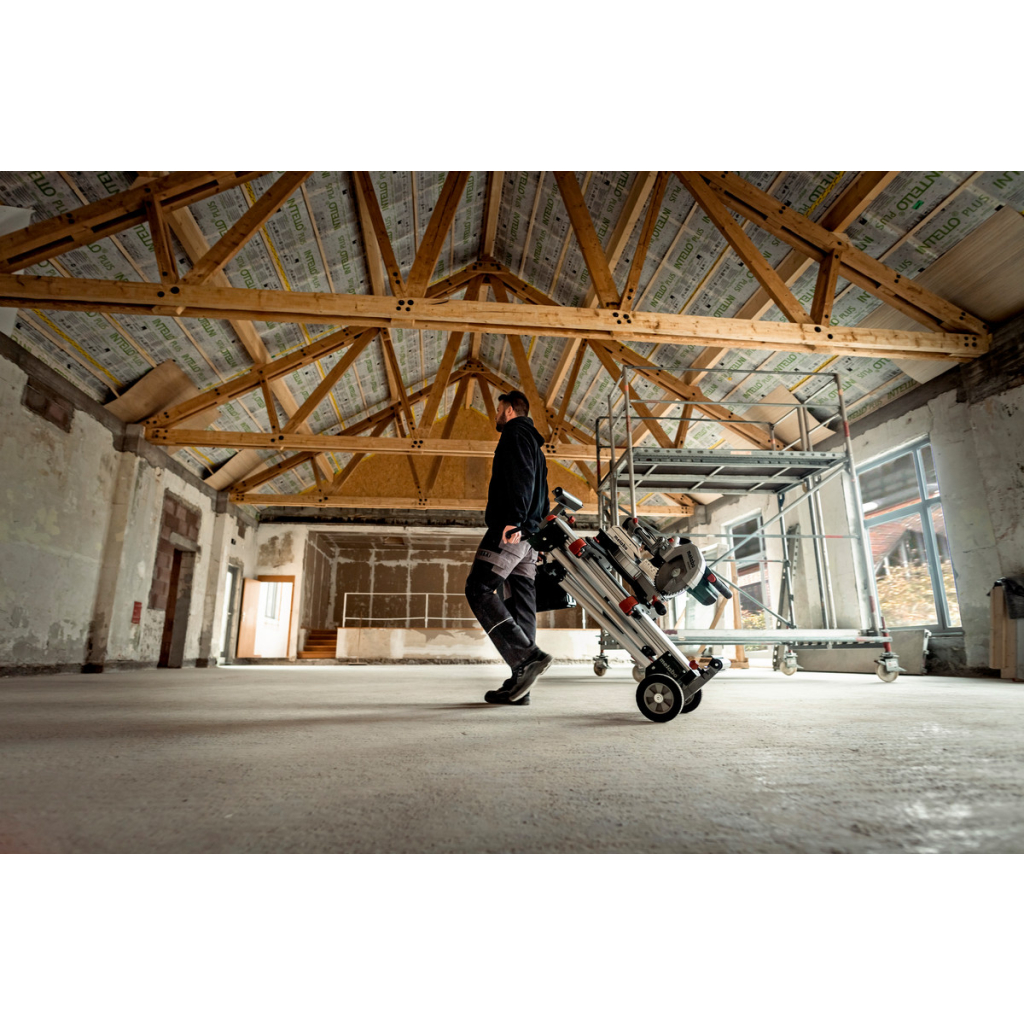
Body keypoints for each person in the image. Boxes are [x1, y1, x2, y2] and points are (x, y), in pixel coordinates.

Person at [464, 389, 553, 706]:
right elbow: (541, 494)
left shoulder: (515, 434)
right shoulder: (536, 447)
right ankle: (521, 686)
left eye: (499, 409)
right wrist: (535, 531)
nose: (496, 415)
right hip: (530, 538)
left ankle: (527, 658)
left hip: (513, 530)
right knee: (520, 605)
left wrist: (514, 520)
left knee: (478, 589)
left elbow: (521, 477)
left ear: (511, 410)